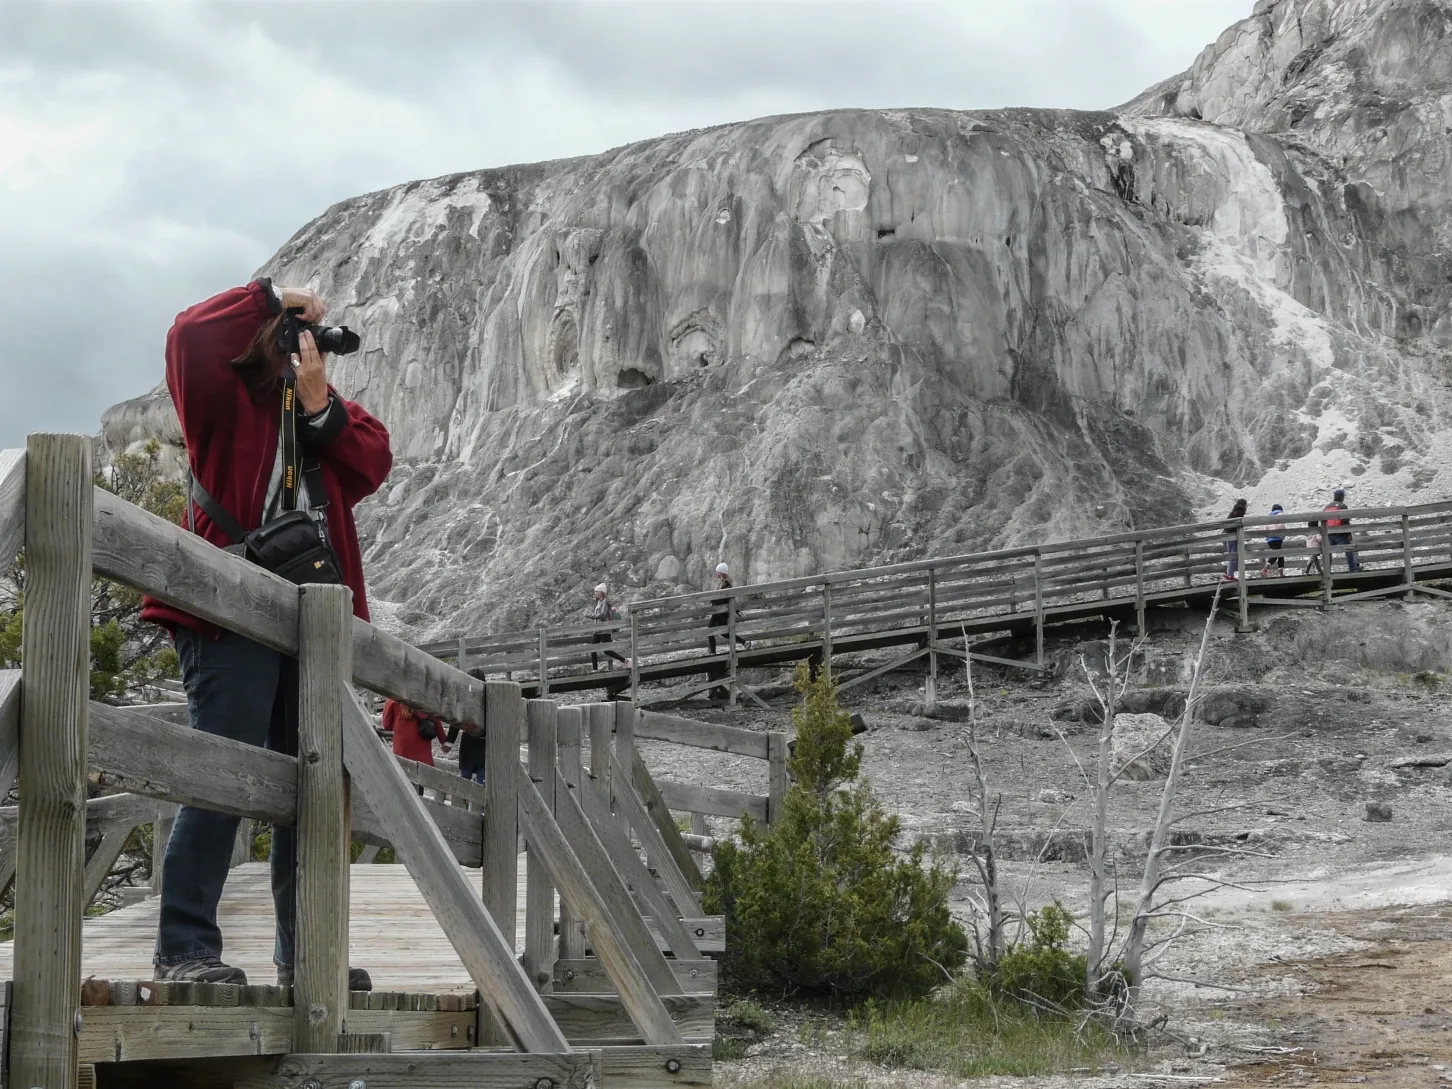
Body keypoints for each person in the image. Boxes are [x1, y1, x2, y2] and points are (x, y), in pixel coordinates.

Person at [141, 279, 391, 989]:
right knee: (224, 772)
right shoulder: (225, 398)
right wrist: (270, 298)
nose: (304, 348)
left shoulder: (322, 417)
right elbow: (187, 332)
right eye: (293, 338)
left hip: (309, 625)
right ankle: (183, 947)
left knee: (311, 787)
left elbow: (375, 459)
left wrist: (320, 406)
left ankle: (306, 953)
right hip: (226, 608)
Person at [385, 699, 448, 791]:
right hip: (421, 750)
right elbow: (436, 721)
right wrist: (443, 741)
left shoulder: (393, 699)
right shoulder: (426, 699)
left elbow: (386, 724)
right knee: (419, 784)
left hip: (402, 748)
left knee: (402, 784)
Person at [589, 583, 628, 671]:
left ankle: (624, 660)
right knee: (592, 648)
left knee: (606, 650)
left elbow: (602, 615)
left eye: (596, 591)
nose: (595, 593)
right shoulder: (599, 602)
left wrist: (590, 616)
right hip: (598, 629)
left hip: (605, 629)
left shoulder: (605, 602)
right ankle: (595, 669)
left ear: (601, 592)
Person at [1324, 488, 1361, 571]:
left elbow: (1324, 522)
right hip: (1340, 534)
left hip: (1328, 533)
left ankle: (1327, 569)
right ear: (1341, 497)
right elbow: (1345, 521)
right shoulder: (1342, 506)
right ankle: (1352, 567)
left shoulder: (1327, 507)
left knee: (1328, 551)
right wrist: (1348, 534)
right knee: (1349, 549)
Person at [1222, 498, 1248, 580]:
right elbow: (1238, 525)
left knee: (1231, 554)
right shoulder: (1239, 512)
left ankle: (1228, 572)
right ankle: (1230, 575)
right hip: (1231, 537)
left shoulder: (1233, 511)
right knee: (1233, 555)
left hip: (1224, 535)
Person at [1260, 504, 1287, 576]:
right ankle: (1264, 569)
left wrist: (1267, 537)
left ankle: (1281, 572)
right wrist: (1282, 536)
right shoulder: (1281, 515)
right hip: (1277, 539)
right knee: (1277, 554)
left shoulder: (1269, 517)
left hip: (1270, 540)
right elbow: (1282, 526)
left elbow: (1265, 528)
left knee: (1281, 554)